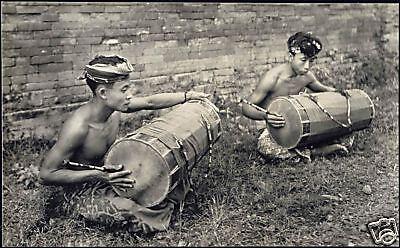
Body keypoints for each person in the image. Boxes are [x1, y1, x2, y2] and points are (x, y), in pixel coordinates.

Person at [39, 54, 210, 234]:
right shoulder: (78, 128)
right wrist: (98, 175)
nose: (130, 95)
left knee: (168, 174)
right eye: (124, 89)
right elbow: (46, 174)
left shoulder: (114, 109)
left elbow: (150, 102)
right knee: (126, 208)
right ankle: (159, 210)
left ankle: (158, 208)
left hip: (109, 175)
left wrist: (188, 96)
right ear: (103, 93)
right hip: (79, 189)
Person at [242, 32, 353, 162]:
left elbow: (324, 90)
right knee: (266, 147)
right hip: (273, 130)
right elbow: (246, 107)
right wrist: (266, 116)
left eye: (311, 61)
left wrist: (339, 92)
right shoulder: (272, 78)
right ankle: (316, 151)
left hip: (299, 126)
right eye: (303, 60)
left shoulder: (307, 76)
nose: (307, 66)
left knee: (347, 134)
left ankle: (304, 151)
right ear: (291, 56)